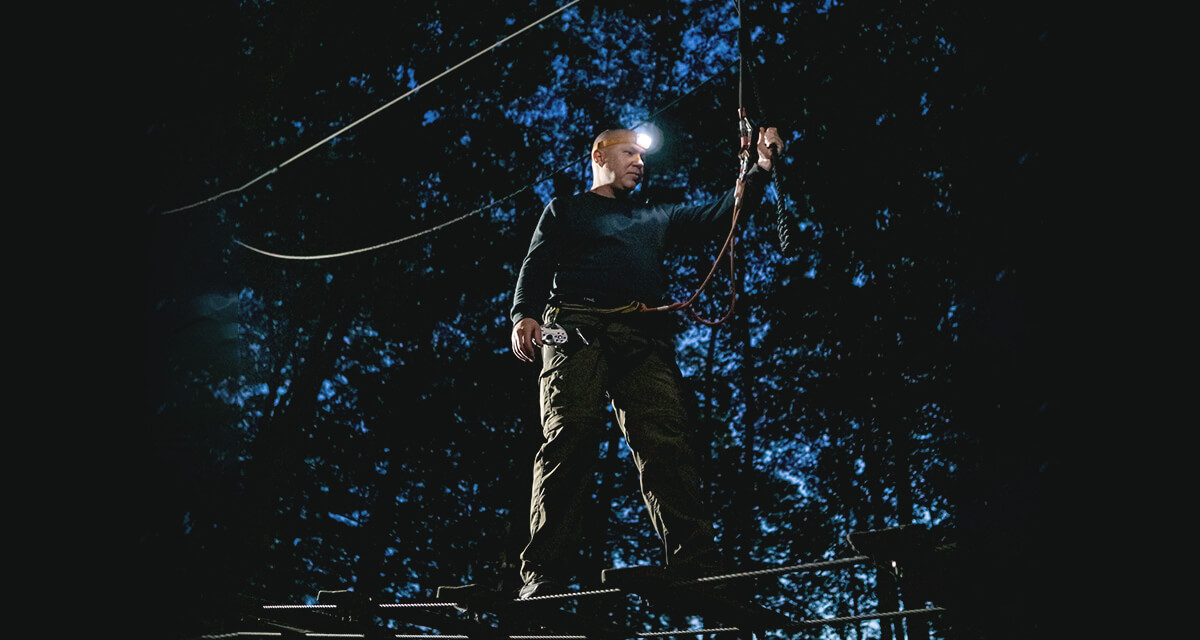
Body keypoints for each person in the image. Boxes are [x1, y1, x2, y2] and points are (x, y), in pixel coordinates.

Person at [509, 125, 783, 598]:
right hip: (574, 328)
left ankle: (695, 563)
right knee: (571, 434)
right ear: (600, 154)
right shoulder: (566, 209)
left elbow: (722, 216)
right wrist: (524, 315)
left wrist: (758, 167)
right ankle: (543, 574)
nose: (640, 161)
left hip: (641, 337)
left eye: (643, 155)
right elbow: (536, 264)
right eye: (630, 152)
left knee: (666, 440)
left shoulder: (655, 217)